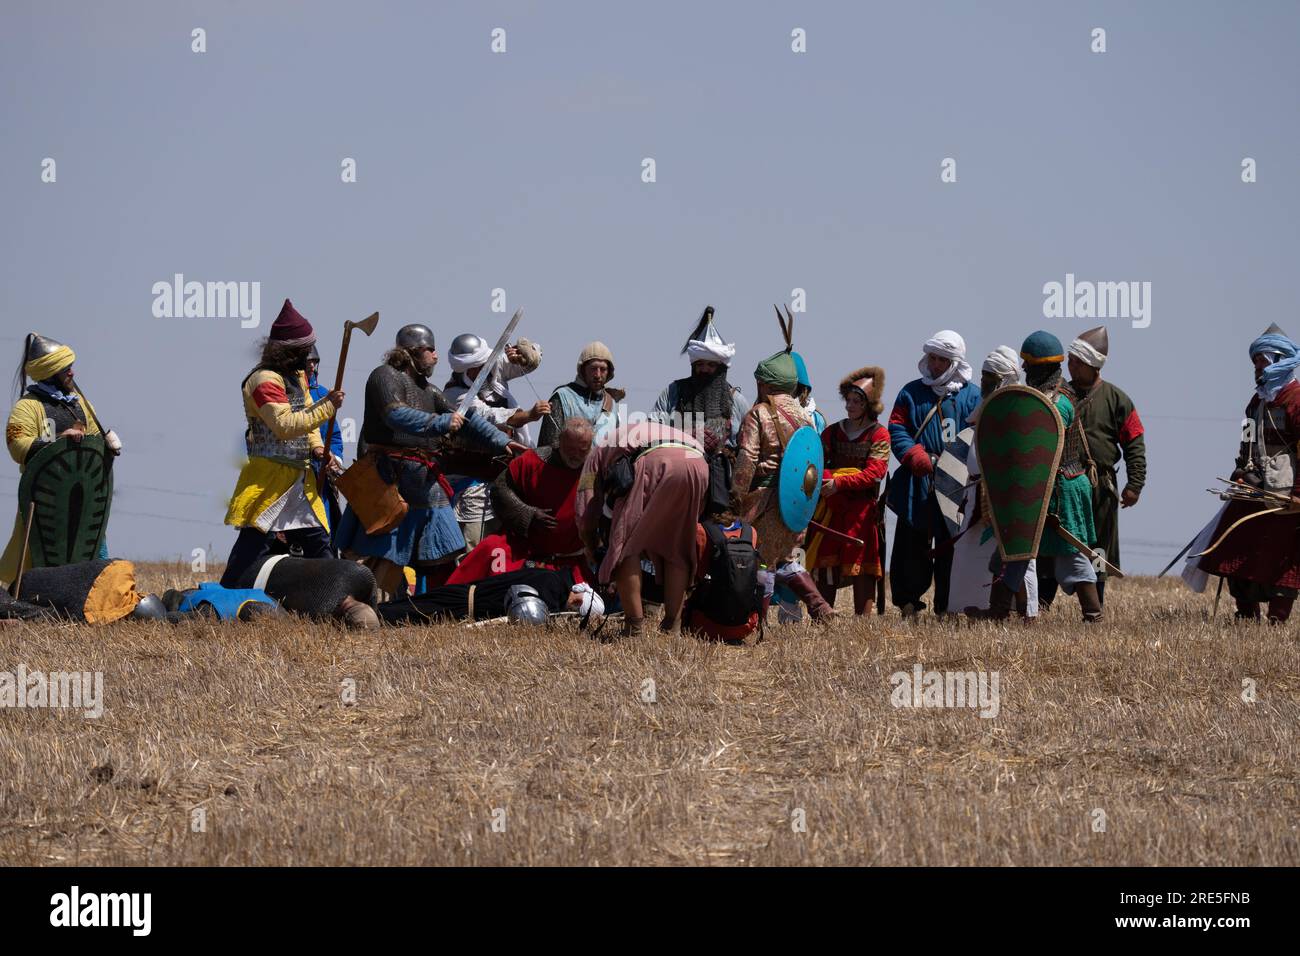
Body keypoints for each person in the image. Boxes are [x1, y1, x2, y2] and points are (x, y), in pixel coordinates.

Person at [335, 324, 524, 599]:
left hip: (425, 481)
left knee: (446, 551)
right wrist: (440, 422)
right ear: (412, 352)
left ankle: (441, 606)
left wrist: (502, 441)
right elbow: (396, 415)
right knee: (384, 555)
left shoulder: (430, 390)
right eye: (431, 350)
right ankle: (371, 607)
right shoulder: (384, 376)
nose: (437, 356)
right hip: (389, 479)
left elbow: (467, 424)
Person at [221, 300, 342, 588]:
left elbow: (307, 416)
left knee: (320, 547)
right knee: (249, 553)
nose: (309, 357)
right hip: (270, 482)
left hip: (300, 480)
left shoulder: (297, 377)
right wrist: (329, 406)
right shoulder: (263, 380)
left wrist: (317, 448)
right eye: (304, 350)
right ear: (289, 351)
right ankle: (222, 600)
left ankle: (331, 596)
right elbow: (286, 426)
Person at [984, 332, 1101, 622]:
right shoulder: (1032, 400)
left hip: (1062, 489)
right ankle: (998, 612)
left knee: (1070, 554)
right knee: (1014, 549)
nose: (1024, 371)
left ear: (1044, 368)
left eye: (1030, 366)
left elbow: (1039, 445)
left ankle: (1093, 614)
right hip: (1032, 490)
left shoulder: (1059, 404)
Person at [1195, 325, 1300, 622]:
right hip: (1253, 491)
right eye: (1255, 362)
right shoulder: (1255, 403)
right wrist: (1241, 471)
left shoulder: (1296, 401)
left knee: (1282, 558)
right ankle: (1245, 615)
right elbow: (1246, 442)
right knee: (1235, 550)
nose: (1257, 367)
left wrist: (1298, 495)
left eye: (1262, 361)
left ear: (1280, 360)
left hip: (1285, 498)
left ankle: (1277, 618)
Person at [1037, 326, 1146, 608]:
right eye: (1069, 360)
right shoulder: (1058, 395)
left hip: (1099, 487)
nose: (1069, 366)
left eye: (1075, 361)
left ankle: (1094, 606)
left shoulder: (1117, 399)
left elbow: (1135, 441)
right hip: (1061, 484)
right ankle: (1041, 603)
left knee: (1097, 549)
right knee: (1051, 542)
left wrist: (1135, 484)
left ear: (1092, 365)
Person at [2, 333, 121, 582]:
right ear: (50, 371)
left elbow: (94, 440)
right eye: (66, 368)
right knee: (35, 561)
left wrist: (108, 442)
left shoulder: (81, 405)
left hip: (85, 501)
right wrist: (57, 440)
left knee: (94, 552)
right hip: (45, 500)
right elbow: (17, 444)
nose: (72, 373)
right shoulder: (28, 407)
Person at [575, 420, 710, 638]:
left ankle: (634, 626)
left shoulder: (594, 456)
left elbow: (585, 507)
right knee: (677, 547)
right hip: (698, 463)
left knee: (625, 546)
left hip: (654, 460)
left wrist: (591, 544)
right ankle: (672, 625)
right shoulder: (640, 432)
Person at [732, 348, 835, 624]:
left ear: (764, 384)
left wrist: (735, 497)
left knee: (760, 560)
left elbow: (747, 458)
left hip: (763, 501)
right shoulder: (805, 418)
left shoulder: (759, 413)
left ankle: (758, 619)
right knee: (785, 558)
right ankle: (821, 607)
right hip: (795, 503)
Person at [886, 330, 981, 617]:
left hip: (957, 485)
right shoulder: (911, 392)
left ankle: (947, 606)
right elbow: (897, 428)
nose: (935, 364)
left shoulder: (973, 396)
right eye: (933, 357)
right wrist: (915, 455)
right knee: (910, 545)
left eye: (942, 359)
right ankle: (908, 603)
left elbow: (980, 435)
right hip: (918, 479)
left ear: (954, 362)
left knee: (950, 546)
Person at [948, 346, 1038, 618]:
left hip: (1009, 498)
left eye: (991, 376)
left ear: (1006, 378)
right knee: (966, 551)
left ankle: (1027, 612)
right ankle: (964, 607)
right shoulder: (984, 406)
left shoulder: (1020, 411)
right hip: (978, 494)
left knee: (1021, 557)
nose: (985, 380)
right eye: (984, 374)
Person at [447, 417, 594, 585]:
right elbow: (501, 488)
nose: (575, 456)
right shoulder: (532, 462)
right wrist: (528, 515)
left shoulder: (595, 469)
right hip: (525, 553)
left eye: (582, 450)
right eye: (570, 449)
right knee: (491, 549)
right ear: (559, 441)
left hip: (572, 562)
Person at [442, 332, 548, 550]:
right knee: (474, 548)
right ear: (469, 369)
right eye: (482, 364)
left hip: (505, 476)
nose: (488, 366)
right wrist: (528, 415)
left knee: (507, 546)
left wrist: (523, 354)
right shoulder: (455, 395)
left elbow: (531, 362)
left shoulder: (492, 367)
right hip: (472, 483)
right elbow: (490, 418)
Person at [803, 365, 890, 616]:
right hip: (831, 509)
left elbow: (875, 473)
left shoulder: (879, 434)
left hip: (862, 512)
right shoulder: (832, 432)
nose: (849, 406)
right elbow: (816, 464)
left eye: (856, 401)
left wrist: (839, 482)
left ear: (869, 405)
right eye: (848, 400)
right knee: (826, 563)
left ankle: (862, 621)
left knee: (862, 566)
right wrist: (826, 480)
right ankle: (823, 617)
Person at [650, 306, 751, 515]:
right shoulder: (674, 392)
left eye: (711, 365)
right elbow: (652, 429)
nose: (704, 369)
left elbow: (749, 449)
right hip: (679, 481)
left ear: (721, 367)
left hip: (721, 487)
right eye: (700, 364)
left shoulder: (737, 401)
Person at [377, 565, 602, 624]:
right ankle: (363, 615)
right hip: (463, 603)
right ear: (579, 600)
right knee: (405, 613)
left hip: (466, 603)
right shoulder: (551, 586)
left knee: (410, 611)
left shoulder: (554, 581)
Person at [538, 342, 624, 447]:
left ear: (609, 372)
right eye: (593, 368)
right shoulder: (562, 397)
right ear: (583, 370)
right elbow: (548, 446)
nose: (598, 375)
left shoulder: (613, 406)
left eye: (603, 369)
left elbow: (616, 451)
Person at [306, 343, 346, 542]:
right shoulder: (285, 394)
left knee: (326, 534)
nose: (311, 366)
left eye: (314, 361)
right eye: (307, 361)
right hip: (295, 475)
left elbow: (336, 437)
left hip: (321, 477)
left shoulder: (323, 394)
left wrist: (333, 458)